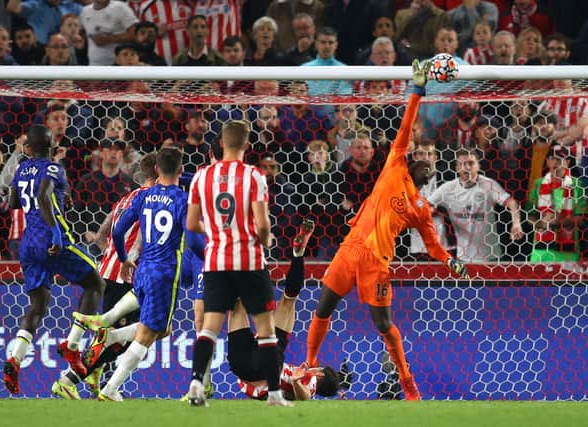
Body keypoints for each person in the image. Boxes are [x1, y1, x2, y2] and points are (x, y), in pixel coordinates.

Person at [305, 60, 470, 401]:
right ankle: (310, 364)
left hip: (376, 263)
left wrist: (449, 261)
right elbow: (407, 126)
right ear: (411, 159)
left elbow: (433, 244)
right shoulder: (395, 163)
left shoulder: (420, 208)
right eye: (420, 155)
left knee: (382, 325)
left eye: (430, 158)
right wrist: (417, 90)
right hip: (349, 249)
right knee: (322, 309)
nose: (425, 159)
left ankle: (407, 381)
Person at [185, 120, 291, 407]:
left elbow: (192, 223)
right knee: (265, 329)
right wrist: (266, 240)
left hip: (216, 262)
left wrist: (217, 232)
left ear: (221, 143)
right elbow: (262, 223)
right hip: (249, 261)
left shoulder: (201, 177)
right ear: (246, 144)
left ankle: (196, 384)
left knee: (209, 327)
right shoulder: (254, 176)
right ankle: (273, 394)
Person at [3, 125, 105, 395]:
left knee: (38, 305)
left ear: (27, 148)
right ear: (51, 146)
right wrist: (56, 234)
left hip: (28, 244)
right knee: (95, 283)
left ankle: (15, 358)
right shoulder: (53, 168)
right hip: (52, 240)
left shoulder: (21, 169)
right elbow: (43, 194)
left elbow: (13, 202)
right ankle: (72, 348)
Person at [50, 153, 158, 399]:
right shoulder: (151, 199)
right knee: (128, 337)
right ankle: (69, 381)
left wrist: (112, 256)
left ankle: (95, 376)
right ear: (159, 171)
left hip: (110, 271)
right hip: (124, 276)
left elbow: (101, 236)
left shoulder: (126, 198)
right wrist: (128, 259)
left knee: (127, 333)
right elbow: (143, 239)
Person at [92, 147, 187, 401]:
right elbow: (194, 235)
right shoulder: (182, 200)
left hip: (142, 270)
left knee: (162, 329)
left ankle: (112, 334)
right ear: (180, 170)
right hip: (164, 273)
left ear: (156, 170)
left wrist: (123, 259)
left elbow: (118, 230)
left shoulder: (144, 196)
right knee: (148, 334)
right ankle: (111, 389)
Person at [229, 220, 347, 401]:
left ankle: (292, 254)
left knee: (288, 301)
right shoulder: (300, 377)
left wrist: (297, 382)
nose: (313, 368)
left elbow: (305, 397)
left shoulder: (311, 381)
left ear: (320, 373)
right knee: (237, 307)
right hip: (242, 367)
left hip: (267, 365)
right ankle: (246, 254)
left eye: (318, 368)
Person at [427, 149, 524, 263]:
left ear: (478, 166)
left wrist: (516, 223)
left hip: (492, 257)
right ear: (457, 167)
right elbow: (424, 205)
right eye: (463, 164)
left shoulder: (488, 184)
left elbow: (511, 202)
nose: (467, 167)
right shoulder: (448, 188)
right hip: (463, 258)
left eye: (471, 163)